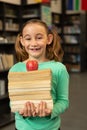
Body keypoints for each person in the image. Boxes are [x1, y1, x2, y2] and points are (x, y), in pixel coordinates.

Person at [8, 19, 69, 130]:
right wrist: (21, 110)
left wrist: (50, 111)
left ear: (49, 39)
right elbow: (13, 101)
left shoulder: (59, 69)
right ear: (22, 41)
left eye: (39, 37)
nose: (34, 43)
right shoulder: (15, 70)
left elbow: (63, 101)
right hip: (22, 128)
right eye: (28, 38)